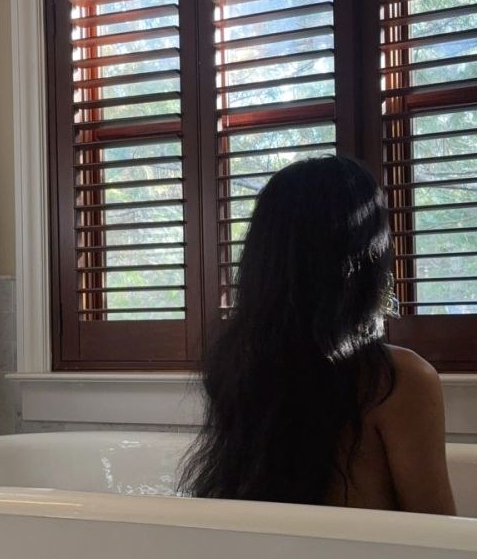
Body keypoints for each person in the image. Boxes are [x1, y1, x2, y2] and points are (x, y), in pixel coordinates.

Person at [179, 155, 456, 514]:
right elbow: (440, 531)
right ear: (368, 258)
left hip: (254, 550)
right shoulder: (398, 379)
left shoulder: (236, 362)